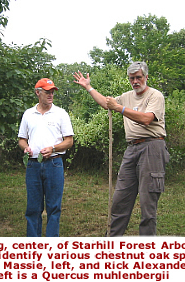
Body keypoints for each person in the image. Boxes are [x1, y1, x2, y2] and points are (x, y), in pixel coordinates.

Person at [73, 62, 169, 236]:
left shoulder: (156, 96)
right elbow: (107, 103)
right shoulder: (127, 96)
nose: (135, 81)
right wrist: (89, 88)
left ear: (146, 77)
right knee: (120, 200)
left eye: (138, 77)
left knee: (148, 205)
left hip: (152, 147)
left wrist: (120, 108)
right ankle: (112, 244)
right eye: (132, 78)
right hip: (131, 148)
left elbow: (147, 119)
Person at [18, 78, 74, 237]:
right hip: (33, 165)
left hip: (54, 164)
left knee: (54, 207)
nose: (50, 95)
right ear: (38, 93)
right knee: (33, 208)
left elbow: (69, 141)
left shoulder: (60, 114)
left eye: (52, 92)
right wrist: (25, 148)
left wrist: (54, 148)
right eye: (47, 92)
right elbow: (21, 139)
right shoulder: (28, 114)